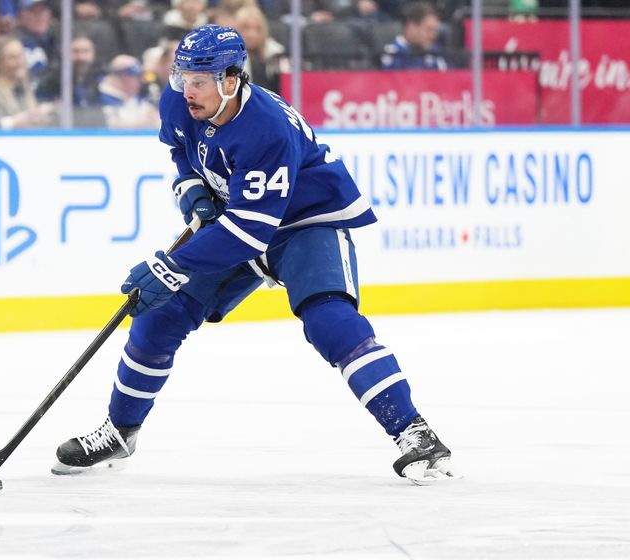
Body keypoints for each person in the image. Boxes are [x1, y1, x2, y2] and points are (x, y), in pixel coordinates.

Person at [53, 24, 458, 483]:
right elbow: (181, 152)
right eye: (182, 77)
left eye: (199, 80)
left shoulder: (266, 128)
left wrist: (172, 265)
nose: (187, 89)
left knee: (330, 321)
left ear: (231, 80)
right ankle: (120, 431)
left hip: (306, 222)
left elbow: (249, 232)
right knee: (159, 317)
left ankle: (415, 432)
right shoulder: (181, 99)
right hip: (237, 215)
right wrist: (190, 189)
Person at [380, 1, 448, 71]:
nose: (433, 35)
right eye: (428, 30)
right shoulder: (392, 54)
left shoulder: (435, 53)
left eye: (435, 31)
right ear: (411, 26)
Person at [97, 53, 158, 129]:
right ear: (123, 77)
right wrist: (143, 123)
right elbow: (110, 126)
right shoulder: (98, 97)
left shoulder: (138, 97)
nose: (139, 81)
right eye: (136, 76)